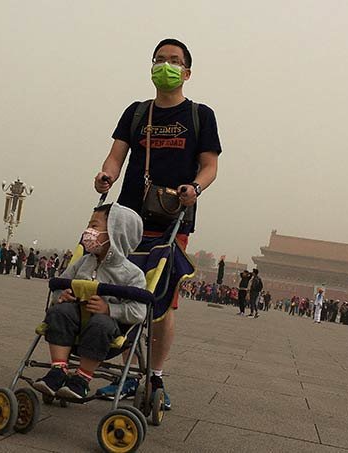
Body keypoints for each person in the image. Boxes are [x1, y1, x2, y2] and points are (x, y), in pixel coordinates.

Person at [93, 38, 221, 408]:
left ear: (187, 72)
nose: (167, 65)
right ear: (151, 67)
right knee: (122, 291)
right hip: (127, 218)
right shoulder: (136, 113)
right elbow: (116, 157)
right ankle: (127, 375)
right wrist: (106, 176)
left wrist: (195, 187)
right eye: (160, 59)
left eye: (175, 60)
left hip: (171, 221)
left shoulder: (200, 115)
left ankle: (155, 377)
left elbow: (210, 165)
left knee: (162, 301)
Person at [32, 203, 146, 399]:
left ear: (115, 232)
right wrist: (62, 296)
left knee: (101, 323)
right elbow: (60, 285)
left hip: (107, 331)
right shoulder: (84, 262)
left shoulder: (132, 275)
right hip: (74, 322)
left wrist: (110, 309)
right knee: (59, 312)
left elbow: (138, 311)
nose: (88, 232)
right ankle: (58, 370)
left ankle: (82, 378)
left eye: (94, 226)